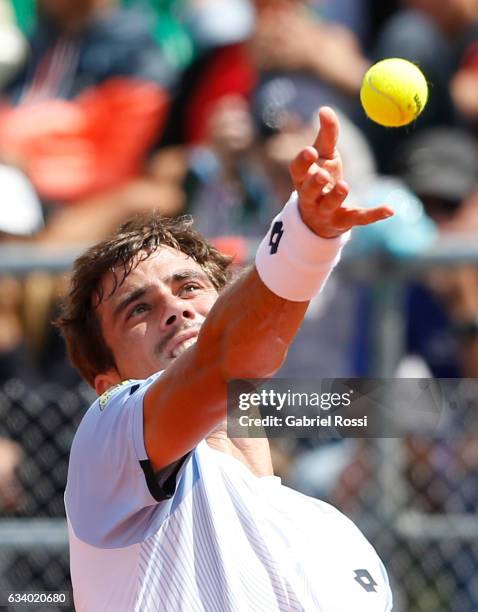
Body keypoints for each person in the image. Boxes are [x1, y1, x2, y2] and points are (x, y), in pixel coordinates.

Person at [58, 107, 394, 611]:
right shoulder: (107, 445)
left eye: (190, 286)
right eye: (138, 310)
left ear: (227, 303)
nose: (174, 308)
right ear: (108, 387)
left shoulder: (332, 534)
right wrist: (307, 236)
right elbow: (226, 357)